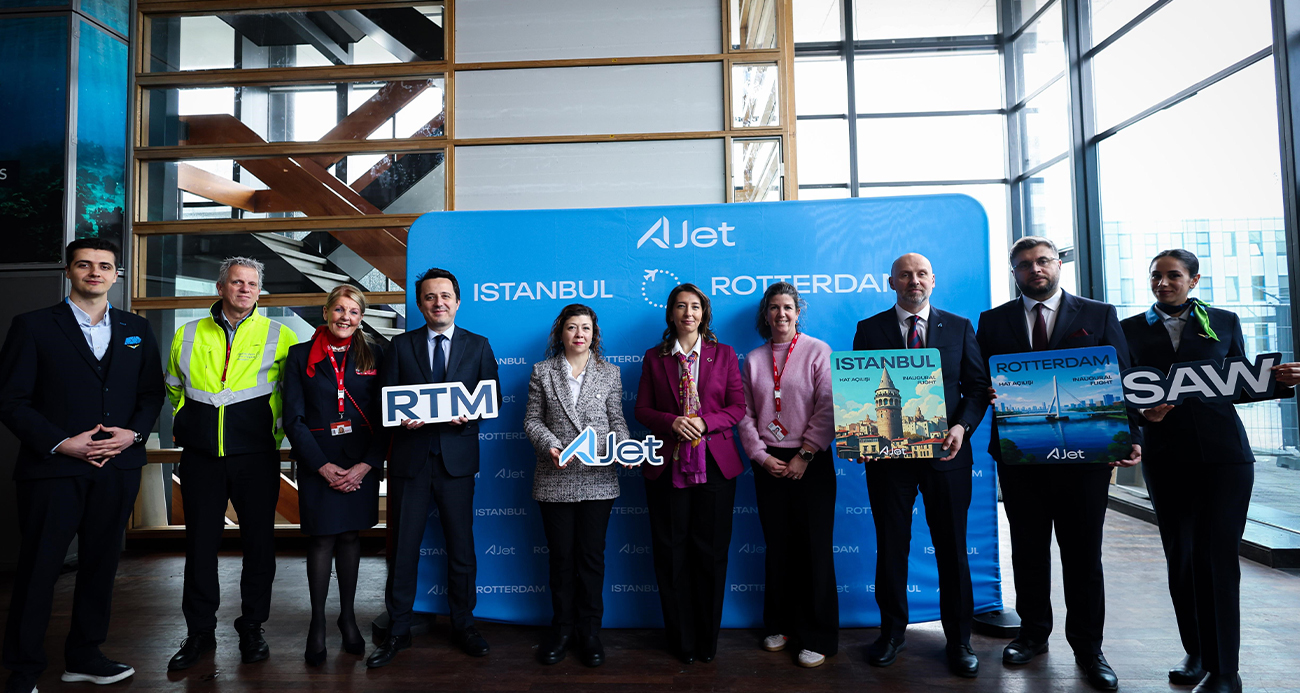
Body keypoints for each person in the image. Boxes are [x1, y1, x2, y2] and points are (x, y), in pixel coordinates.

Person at [1120, 249, 1299, 693]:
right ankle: (1197, 651)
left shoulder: (1224, 320)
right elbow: (1121, 394)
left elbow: (1235, 386)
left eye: (1174, 276)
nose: (1163, 283)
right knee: (1181, 557)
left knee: (1216, 560)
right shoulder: (1126, 330)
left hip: (1225, 457)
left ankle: (1225, 671)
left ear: (1194, 280)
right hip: (1167, 456)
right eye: (1156, 276)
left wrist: (1276, 382)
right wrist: (1143, 420)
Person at [975, 236, 1141, 692]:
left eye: (1043, 260)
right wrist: (988, 392)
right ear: (1015, 272)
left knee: (1083, 556)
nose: (1036, 269)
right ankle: (1033, 635)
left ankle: (1089, 648)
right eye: (1025, 264)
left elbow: (1123, 381)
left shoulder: (1098, 314)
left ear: (1058, 264)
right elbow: (979, 380)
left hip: (1086, 460)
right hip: (1021, 457)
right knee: (1028, 552)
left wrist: (1132, 438)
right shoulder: (993, 321)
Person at [0, 238, 165, 693]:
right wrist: (59, 443)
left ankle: (85, 656)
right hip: (52, 470)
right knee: (39, 569)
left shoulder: (136, 328)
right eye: (85, 265)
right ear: (69, 271)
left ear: (117, 275)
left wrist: (133, 434)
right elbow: (10, 401)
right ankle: (24, 669)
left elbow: (153, 393)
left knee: (100, 566)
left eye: (105, 266)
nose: (95, 272)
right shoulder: (32, 326)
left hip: (116, 469)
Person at [851, 253, 991, 678]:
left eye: (921, 274)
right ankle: (891, 634)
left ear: (934, 280)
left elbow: (978, 389)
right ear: (891, 282)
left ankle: (960, 640)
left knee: (952, 549)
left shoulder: (961, 327)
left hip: (947, 457)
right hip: (889, 462)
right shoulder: (869, 329)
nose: (914, 281)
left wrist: (962, 427)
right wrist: (860, 435)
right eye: (905, 275)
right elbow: (858, 389)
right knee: (891, 547)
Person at [164, 256, 296, 671]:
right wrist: (195, 424)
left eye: (252, 284)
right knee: (200, 546)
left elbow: (293, 393)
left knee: (260, 545)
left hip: (256, 455)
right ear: (221, 288)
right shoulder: (187, 332)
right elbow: (173, 387)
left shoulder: (282, 334)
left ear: (260, 291)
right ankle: (200, 632)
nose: (244, 289)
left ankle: (252, 626)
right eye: (237, 282)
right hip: (201, 457)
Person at [367, 267, 500, 668]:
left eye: (445, 296)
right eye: (429, 297)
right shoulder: (400, 346)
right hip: (410, 461)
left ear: (457, 302)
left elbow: (491, 399)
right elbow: (383, 401)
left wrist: (470, 416)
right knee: (404, 550)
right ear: (420, 304)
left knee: (461, 548)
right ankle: (398, 630)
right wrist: (398, 418)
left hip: (456, 462)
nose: (438, 303)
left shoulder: (478, 345)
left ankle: (464, 625)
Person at [634, 283, 746, 665]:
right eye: (681, 307)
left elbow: (737, 408)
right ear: (670, 314)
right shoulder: (655, 357)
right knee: (671, 554)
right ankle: (681, 641)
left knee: (711, 554)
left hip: (715, 465)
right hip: (667, 465)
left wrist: (702, 421)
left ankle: (707, 641)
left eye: (695, 307)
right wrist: (673, 422)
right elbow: (643, 411)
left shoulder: (725, 354)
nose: (688, 313)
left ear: (704, 313)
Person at [282, 286, 387, 666]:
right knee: (322, 539)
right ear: (325, 312)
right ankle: (317, 623)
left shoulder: (377, 353)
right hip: (318, 462)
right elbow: (292, 417)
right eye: (339, 309)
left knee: (349, 537)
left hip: (360, 462)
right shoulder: (298, 356)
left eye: (354, 311)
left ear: (361, 317)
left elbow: (386, 414)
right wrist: (321, 466)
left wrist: (367, 465)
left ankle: (347, 617)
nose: (346, 317)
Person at [737, 282, 838, 669]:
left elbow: (828, 406)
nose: (781, 314)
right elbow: (744, 414)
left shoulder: (817, 351)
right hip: (769, 463)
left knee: (814, 548)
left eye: (788, 307)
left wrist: (806, 454)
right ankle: (779, 624)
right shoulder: (754, 358)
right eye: (774, 308)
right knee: (778, 547)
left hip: (810, 461)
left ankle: (818, 635)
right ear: (765, 315)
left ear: (799, 312)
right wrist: (760, 457)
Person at [522, 304, 630, 668]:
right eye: (572, 327)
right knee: (562, 559)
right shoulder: (542, 371)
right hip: (555, 478)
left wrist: (624, 447)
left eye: (585, 328)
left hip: (599, 479)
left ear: (594, 334)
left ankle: (590, 632)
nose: (579, 334)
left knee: (591, 558)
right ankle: (562, 629)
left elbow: (618, 419)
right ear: (561, 333)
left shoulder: (610, 373)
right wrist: (549, 445)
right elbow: (532, 420)